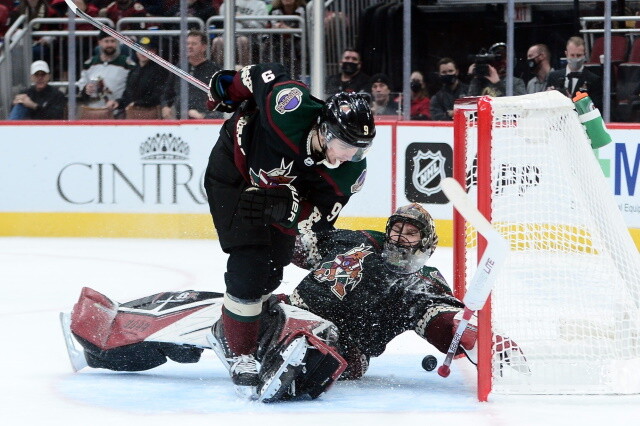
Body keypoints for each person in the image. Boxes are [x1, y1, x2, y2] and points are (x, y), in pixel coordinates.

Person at [60, 204, 528, 400]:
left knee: (314, 340)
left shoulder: (420, 281)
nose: (399, 235)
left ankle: (285, 372)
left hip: (339, 344)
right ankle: (107, 337)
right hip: (283, 311)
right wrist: (278, 216)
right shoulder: (358, 240)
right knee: (210, 306)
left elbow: (440, 320)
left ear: (425, 240)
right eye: (396, 227)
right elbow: (302, 242)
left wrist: (479, 338)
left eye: (410, 231)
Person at [204, 62, 376, 391]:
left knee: (272, 269)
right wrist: (228, 87)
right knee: (250, 262)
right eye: (345, 145)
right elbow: (261, 73)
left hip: (280, 201)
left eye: (359, 149)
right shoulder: (289, 107)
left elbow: (317, 221)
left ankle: (247, 317)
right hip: (233, 171)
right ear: (326, 130)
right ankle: (241, 352)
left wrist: (289, 204)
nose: (349, 156)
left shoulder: (348, 173)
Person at [161, 30, 221, 119]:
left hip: (205, 123)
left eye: (194, 44)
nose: (189, 46)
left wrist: (204, 116)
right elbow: (167, 92)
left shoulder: (214, 70)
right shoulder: (179, 68)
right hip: (181, 120)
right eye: (187, 43)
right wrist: (165, 106)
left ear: (204, 47)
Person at [107, 36, 169, 119]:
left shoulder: (160, 71)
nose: (143, 52)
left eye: (147, 49)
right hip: (132, 113)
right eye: (140, 49)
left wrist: (137, 103)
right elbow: (127, 95)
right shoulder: (133, 70)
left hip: (150, 114)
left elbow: (158, 96)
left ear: (154, 51)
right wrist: (118, 102)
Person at [77, 28, 135, 110]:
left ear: (117, 42)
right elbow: (81, 86)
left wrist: (119, 102)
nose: (109, 45)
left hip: (117, 109)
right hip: (93, 110)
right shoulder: (90, 63)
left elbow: (132, 89)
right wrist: (85, 89)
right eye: (106, 41)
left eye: (113, 41)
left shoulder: (127, 63)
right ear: (100, 43)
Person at [547, 36, 603, 111]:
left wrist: (573, 103)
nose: (575, 58)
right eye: (572, 55)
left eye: (579, 55)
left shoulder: (593, 79)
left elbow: (596, 107)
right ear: (566, 54)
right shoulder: (554, 76)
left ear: (584, 54)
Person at [213, 0, 268, 67]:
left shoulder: (260, 4)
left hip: (251, 37)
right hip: (228, 36)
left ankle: (245, 71)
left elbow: (260, 26)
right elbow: (222, 19)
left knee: (241, 40)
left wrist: (242, 19)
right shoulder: (229, 3)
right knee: (217, 41)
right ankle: (220, 70)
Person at [263, 0, 306, 78]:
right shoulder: (275, 10)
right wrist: (276, 27)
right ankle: (271, 72)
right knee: (270, 43)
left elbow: (306, 30)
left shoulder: (303, 10)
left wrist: (289, 30)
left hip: (297, 41)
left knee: (290, 43)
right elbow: (269, 28)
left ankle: (294, 75)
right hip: (278, 39)